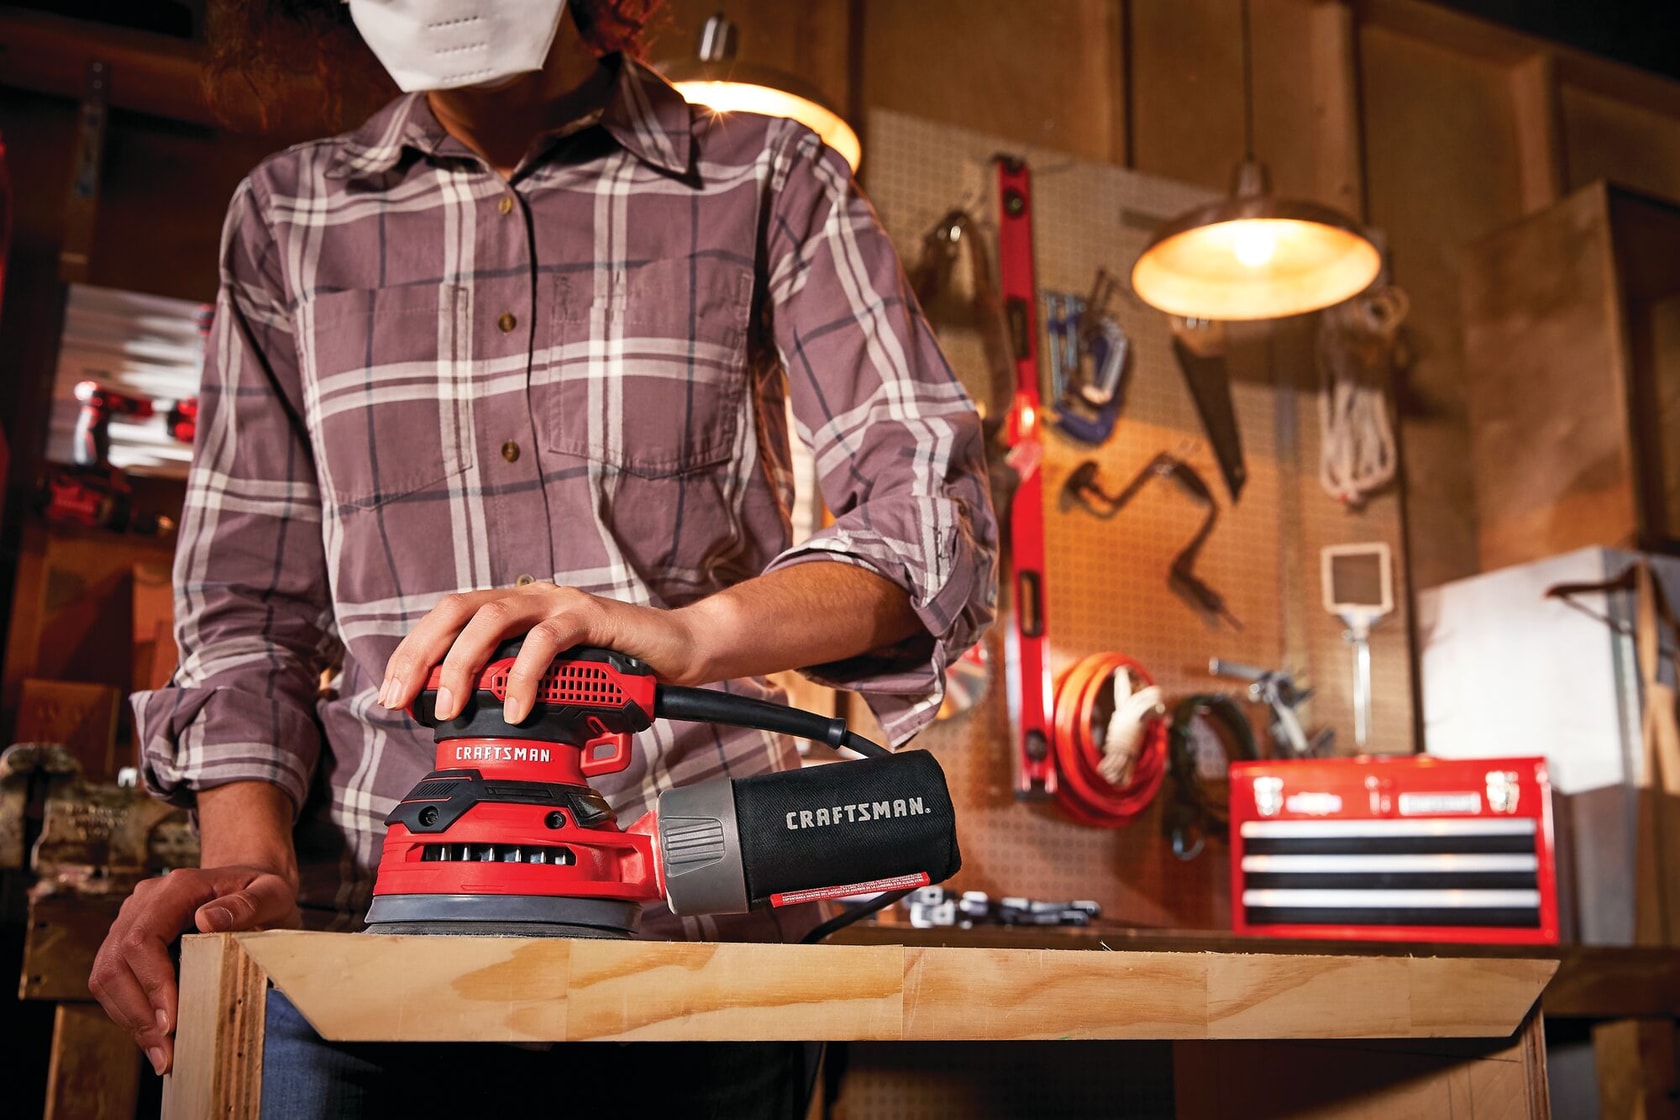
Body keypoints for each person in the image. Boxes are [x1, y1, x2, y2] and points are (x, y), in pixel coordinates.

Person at [89, 0, 996, 1114]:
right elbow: (244, 609)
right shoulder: (288, 216)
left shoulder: (765, 175)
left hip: (693, 943)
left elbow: (929, 513)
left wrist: (689, 636)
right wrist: (247, 871)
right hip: (364, 946)